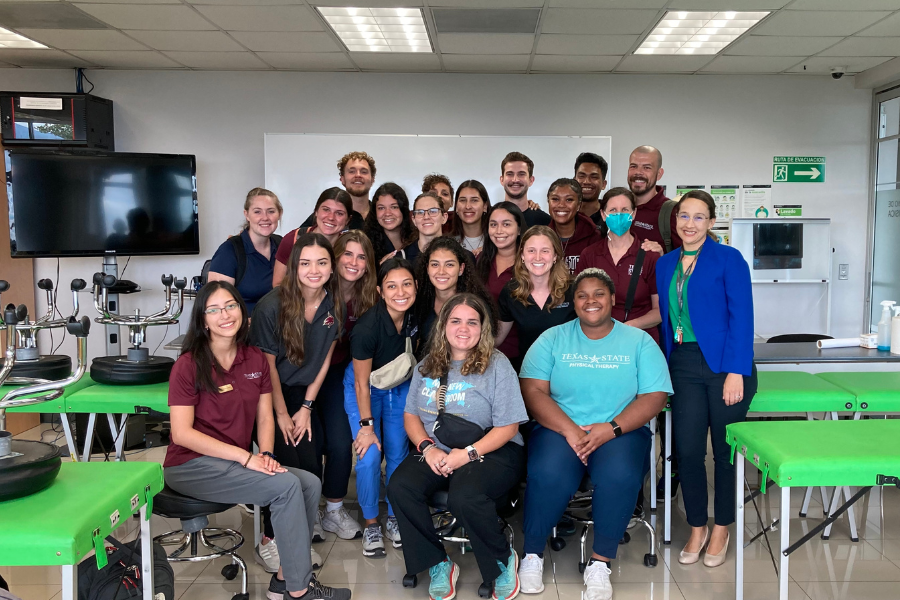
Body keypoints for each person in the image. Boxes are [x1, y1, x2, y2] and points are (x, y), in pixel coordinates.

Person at [164, 280, 351, 600]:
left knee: (308, 483)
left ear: (242, 310)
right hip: (190, 465)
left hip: (235, 461)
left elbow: (266, 416)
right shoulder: (188, 364)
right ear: (203, 319)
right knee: (287, 486)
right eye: (214, 309)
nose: (224, 314)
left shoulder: (253, 359)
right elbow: (182, 433)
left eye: (231, 306)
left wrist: (265, 453)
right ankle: (299, 589)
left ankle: (283, 579)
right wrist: (246, 458)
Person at [517, 269, 672, 600]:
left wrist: (611, 428)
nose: (591, 301)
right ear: (573, 302)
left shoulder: (639, 341)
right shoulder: (553, 338)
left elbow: (655, 396)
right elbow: (532, 391)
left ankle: (600, 563)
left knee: (619, 475)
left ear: (613, 299)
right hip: (560, 428)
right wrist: (569, 429)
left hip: (621, 431)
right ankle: (531, 555)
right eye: (582, 295)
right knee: (547, 472)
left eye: (599, 293)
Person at [388, 293, 528, 600]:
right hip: (437, 448)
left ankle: (502, 560)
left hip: (493, 448)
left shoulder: (497, 365)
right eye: (455, 321)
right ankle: (438, 561)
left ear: (482, 328)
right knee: (400, 486)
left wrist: (467, 454)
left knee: (465, 494)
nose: (463, 328)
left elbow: (509, 426)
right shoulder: (426, 365)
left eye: (472, 322)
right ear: (443, 326)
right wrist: (427, 448)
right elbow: (411, 414)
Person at [656, 190, 757, 568]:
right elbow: (668, 320)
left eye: (699, 217)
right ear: (676, 220)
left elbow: (741, 318)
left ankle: (723, 526)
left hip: (723, 366)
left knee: (725, 452)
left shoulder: (729, 259)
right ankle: (697, 525)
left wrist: (736, 372)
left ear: (712, 222)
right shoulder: (666, 264)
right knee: (688, 451)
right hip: (682, 363)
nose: (690, 224)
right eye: (684, 216)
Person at [250, 233, 344, 566]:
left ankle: (297, 538)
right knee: (282, 468)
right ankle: (269, 540)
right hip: (267, 394)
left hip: (304, 396)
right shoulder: (271, 306)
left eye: (322, 262)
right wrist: (281, 415)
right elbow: (267, 367)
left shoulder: (334, 305)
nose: (313, 270)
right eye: (305, 263)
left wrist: (305, 408)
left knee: (310, 465)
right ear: (294, 267)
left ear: (332, 268)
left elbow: (324, 361)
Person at [345, 257, 419, 557]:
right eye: (391, 286)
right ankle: (372, 523)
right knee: (370, 454)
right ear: (380, 291)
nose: (400, 292)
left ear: (415, 287)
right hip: (366, 388)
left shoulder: (414, 316)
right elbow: (362, 384)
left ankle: (393, 517)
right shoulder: (367, 328)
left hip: (398, 384)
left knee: (399, 452)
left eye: (406, 284)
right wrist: (366, 426)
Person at [317, 231, 379, 541]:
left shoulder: (371, 298)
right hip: (307, 374)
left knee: (341, 443)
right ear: (335, 257)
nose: (353, 262)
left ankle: (334, 510)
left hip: (346, 376)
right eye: (347, 254)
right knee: (309, 443)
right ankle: (308, 511)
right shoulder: (316, 289)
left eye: (361, 256)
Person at [576, 188, 661, 343]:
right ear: (603, 214)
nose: (619, 215)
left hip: (640, 340)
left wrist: (628, 326)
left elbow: (659, 311)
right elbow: (579, 301)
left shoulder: (650, 255)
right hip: (598, 339)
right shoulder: (590, 254)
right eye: (613, 210)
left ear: (633, 214)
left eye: (625, 210)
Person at [496, 226, 575, 359]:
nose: (538, 257)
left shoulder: (573, 289)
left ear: (555, 255)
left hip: (567, 369)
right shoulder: (511, 291)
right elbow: (496, 339)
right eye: (531, 250)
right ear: (522, 255)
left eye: (545, 251)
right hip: (529, 370)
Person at [414, 236, 496, 354]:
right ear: (427, 268)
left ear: (461, 269)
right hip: (428, 367)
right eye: (435, 264)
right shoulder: (419, 300)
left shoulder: (477, 304)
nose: (441, 271)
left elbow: (484, 348)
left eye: (449, 265)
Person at [208, 188, 283, 313]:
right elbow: (216, 307)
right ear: (247, 215)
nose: (265, 217)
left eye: (271, 211)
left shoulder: (282, 244)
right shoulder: (229, 251)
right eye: (257, 212)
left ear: (279, 214)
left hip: (280, 328)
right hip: (245, 329)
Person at [476, 202, 526, 371]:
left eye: (506, 224)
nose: (499, 231)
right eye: (493, 224)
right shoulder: (481, 260)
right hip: (482, 350)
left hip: (520, 354)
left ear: (519, 229)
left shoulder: (530, 264)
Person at [274, 188, 353, 286]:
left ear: (348, 220)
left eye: (339, 213)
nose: (331, 217)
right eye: (326, 209)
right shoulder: (293, 239)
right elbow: (278, 284)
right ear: (316, 211)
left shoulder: (350, 247)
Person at [627, 145, 681, 253]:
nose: (638, 172)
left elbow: (688, 260)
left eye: (647, 167)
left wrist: (662, 257)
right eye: (633, 166)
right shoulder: (619, 207)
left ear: (659, 174)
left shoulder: (672, 212)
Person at [301, 152, 374, 229]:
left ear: (372, 179)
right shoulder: (324, 218)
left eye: (364, 172)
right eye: (352, 171)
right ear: (342, 179)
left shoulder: (381, 215)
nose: (358, 175)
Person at [547, 178, 601, 274]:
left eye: (569, 200)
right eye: (555, 199)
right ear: (548, 202)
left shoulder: (594, 238)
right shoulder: (542, 237)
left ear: (578, 205)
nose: (561, 205)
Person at [364, 182, 415, 263]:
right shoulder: (365, 243)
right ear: (374, 212)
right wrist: (379, 270)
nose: (387, 213)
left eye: (394, 207)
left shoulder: (416, 239)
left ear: (403, 209)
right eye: (381, 208)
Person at [499, 152, 550, 229]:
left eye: (521, 174)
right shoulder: (490, 218)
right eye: (510, 174)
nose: (515, 179)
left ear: (531, 180)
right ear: (502, 180)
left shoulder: (545, 221)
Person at [405, 191, 449, 267]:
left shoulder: (462, 255)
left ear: (444, 217)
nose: (426, 217)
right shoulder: (403, 257)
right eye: (420, 212)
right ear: (414, 220)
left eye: (433, 211)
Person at [450, 179, 491, 255]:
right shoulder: (448, 244)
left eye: (474, 200)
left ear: (485, 206)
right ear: (456, 207)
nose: (468, 206)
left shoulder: (495, 241)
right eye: (462, 200)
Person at [574, 153, 609, 227]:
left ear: (604, 184)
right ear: (574, 181)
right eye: (581, 176)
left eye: (594, 177)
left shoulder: (610, 216)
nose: (586, 182)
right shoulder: (565, 214)